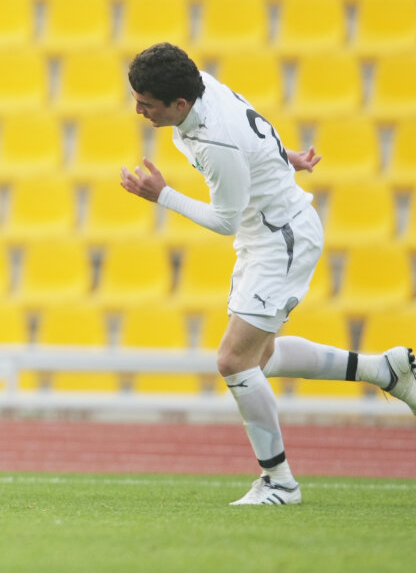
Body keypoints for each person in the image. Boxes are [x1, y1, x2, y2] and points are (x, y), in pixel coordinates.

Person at [119, 42, 416, 506]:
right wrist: (281, 157)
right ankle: (384, 370)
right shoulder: (202, 85)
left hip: (280, 240)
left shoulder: (215, 140)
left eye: (146, 104)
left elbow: (225, 221)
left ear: (179, 103)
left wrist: (163, 195)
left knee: (233, 362)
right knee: (257, 358)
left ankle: (279, 482)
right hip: (265, 233)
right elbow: (254, 126)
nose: (138, 110)